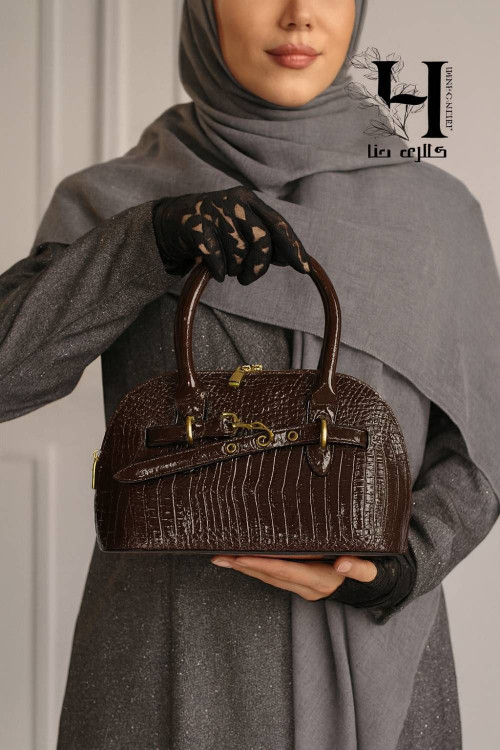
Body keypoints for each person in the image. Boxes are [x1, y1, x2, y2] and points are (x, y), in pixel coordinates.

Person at [1, 1, 499, 748]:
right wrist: (147, 243)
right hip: (162, 663)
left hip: (378, 657)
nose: (299, 16)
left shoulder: (436, 214)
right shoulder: (113, 199)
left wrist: (397, 566)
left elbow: (483, 441)